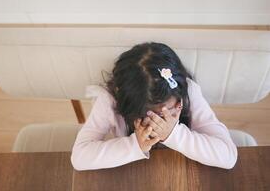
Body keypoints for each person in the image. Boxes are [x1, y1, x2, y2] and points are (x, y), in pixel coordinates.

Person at [71, 42, 238, 171]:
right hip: (131, 171)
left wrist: (174, 134)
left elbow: (227, 156)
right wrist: (135, 144)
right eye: (148, 116)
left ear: (179, 100)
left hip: (185, 169)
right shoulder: (109, 100)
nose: (156, 123)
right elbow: (79, 157)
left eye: (165, 113)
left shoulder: (189, 92)